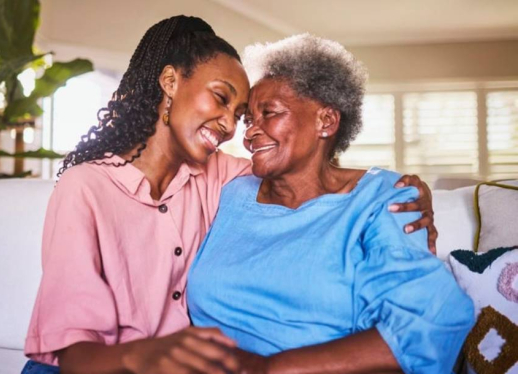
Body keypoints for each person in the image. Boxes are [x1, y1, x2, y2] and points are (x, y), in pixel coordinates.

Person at [22, 17, 437, 374]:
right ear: (170, 82)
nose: (230, 125)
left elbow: (306, 170)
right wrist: (147, 355)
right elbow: (74, 357)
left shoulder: (224, 177)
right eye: (221, 98)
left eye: (240, 115)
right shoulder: (86, 187)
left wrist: (391, 188)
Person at [187, 34, 475, 374]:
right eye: (249, 119)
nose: (250, 133)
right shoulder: (226, 190)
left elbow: (430, 321)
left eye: (270, 113)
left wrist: (269, 368)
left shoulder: (382, 197)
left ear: (326, 121)